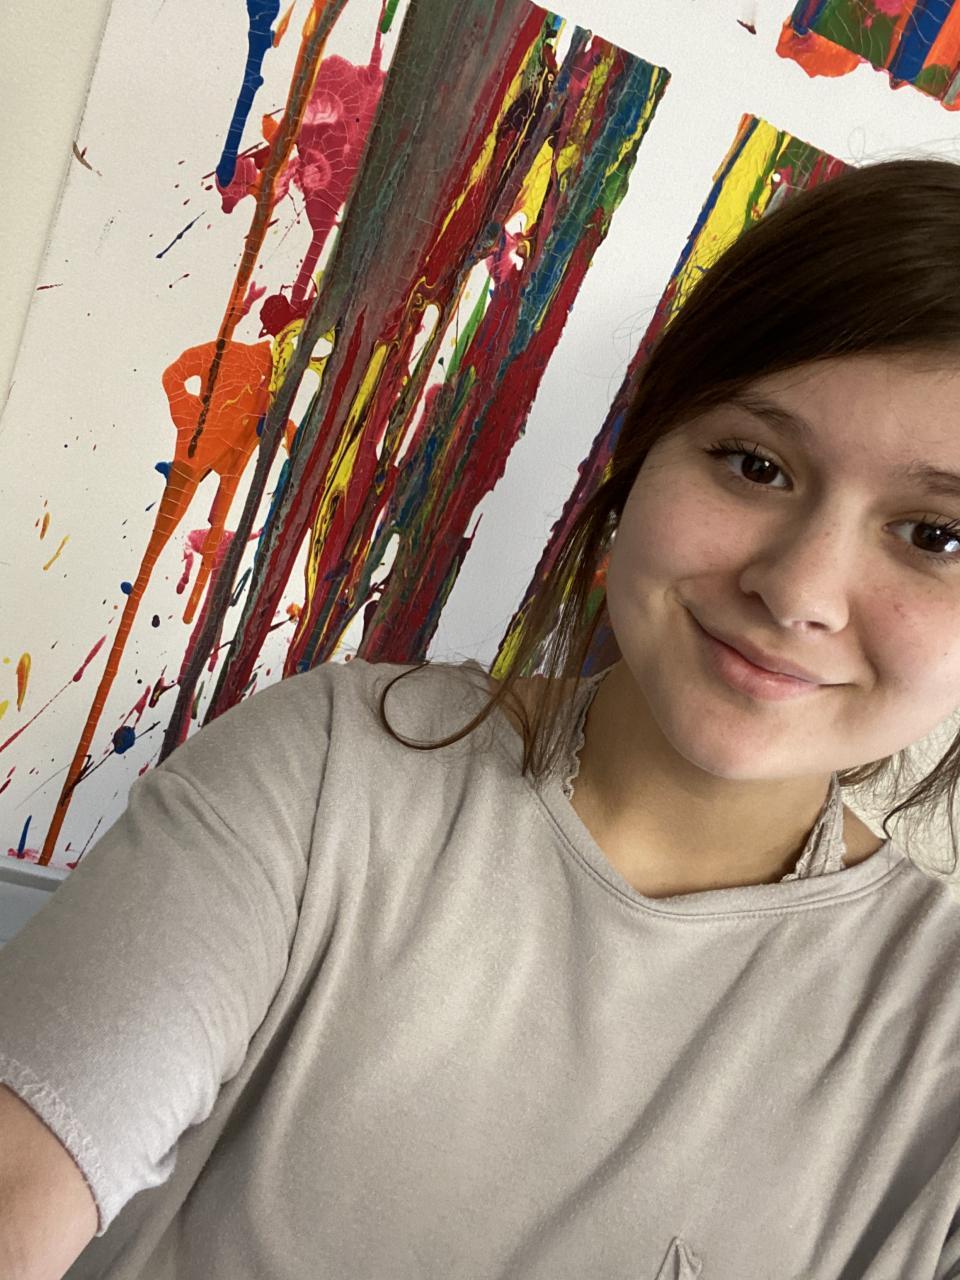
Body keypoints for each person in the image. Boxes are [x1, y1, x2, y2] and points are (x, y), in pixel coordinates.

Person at [3, 156, 960, 1278]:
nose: (798, 592)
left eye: (936, 535)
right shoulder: (329, 775)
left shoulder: (936, 1034)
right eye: (754, 464)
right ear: (639, 459)